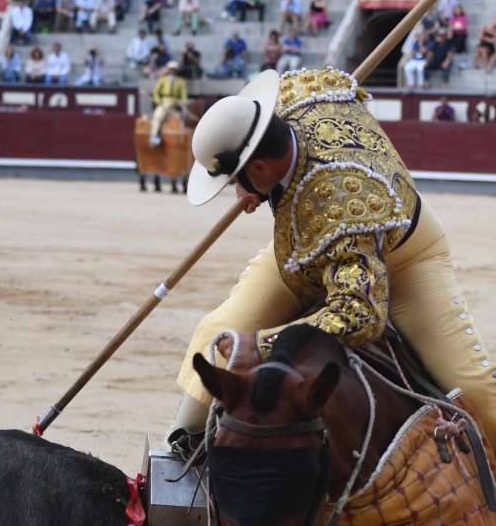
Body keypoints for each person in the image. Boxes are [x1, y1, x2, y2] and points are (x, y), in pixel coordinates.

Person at [170, 65, 496, 485]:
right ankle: (183, 447)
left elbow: (359, 313)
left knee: (475, 389)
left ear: (261, 169)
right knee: (219, 331)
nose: (237, 191)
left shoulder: (342, 200)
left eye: (236, 180)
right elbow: (335, 81)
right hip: (300, 249)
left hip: (404, 257)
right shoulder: (297, 95)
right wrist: (258, 187)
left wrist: (263, 345)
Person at [149, 60, 188, 146]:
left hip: (175, 103)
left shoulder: (180, 81)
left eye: (174, 70)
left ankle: (182, 138)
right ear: (168, 70)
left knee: (182, 118)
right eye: (171, 69)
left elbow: (183, 94)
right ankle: (154, 136)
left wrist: (184, 103)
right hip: (164, 103)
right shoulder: (163, 80)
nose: (172, 71)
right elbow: (156, 92)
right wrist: (159, 101)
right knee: (158, 116)